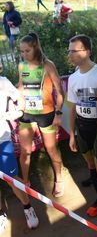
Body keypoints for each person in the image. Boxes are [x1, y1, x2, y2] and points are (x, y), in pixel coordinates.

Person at [67, 34, 97, 222]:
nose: (70, 54)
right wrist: (71, 134)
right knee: (91, 166)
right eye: (69, 51)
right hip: (82, 125)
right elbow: (72, 108)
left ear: (87, 52)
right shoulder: (72, 78)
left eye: (74, 50)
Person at [17, 32, 65, 198]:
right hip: (26, 114)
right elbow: (21, 87)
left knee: (51, 149)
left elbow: (59, 91)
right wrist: (16, 99)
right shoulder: (22, 66)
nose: (24, 55)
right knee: (25, 151)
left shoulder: (47, 65)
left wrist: (58, 113)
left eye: (27, 51)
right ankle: (24, 182)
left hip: (46, 114)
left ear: (35, 48)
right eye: (21, 51)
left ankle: (59, 178)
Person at [0, 72, 39, 231]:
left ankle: (28, 208)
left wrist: (19, 112)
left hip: (1, 137)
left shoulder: (2, 81)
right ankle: (1, 213)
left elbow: (20, 98)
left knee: (11, 178)